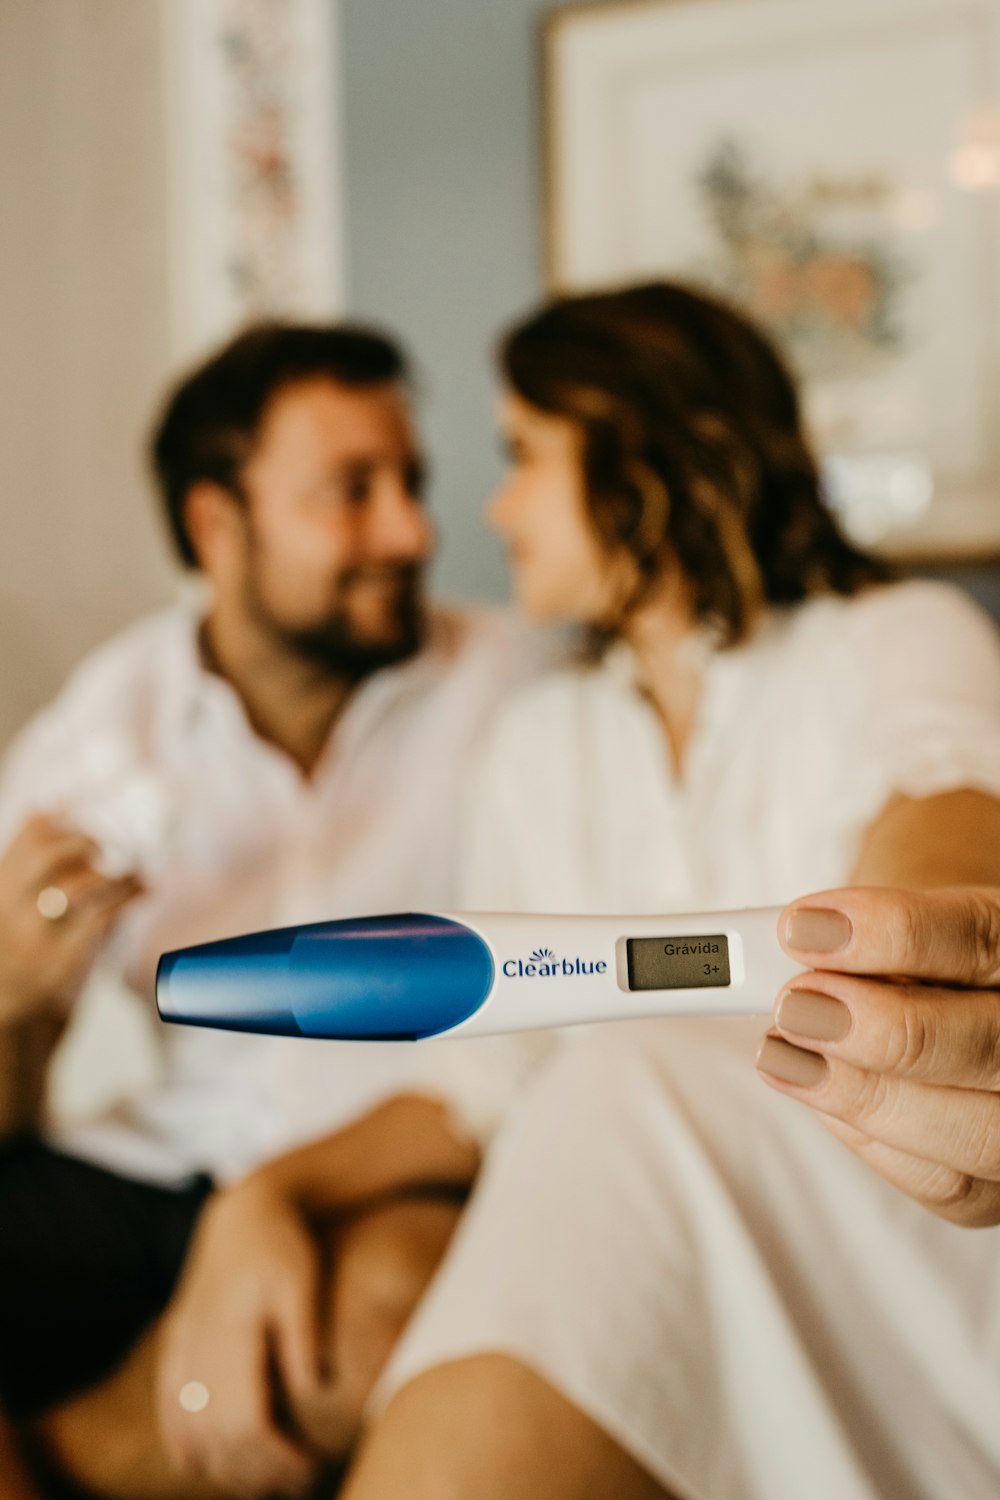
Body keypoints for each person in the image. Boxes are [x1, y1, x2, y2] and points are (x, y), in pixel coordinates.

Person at [328, 283, 1000, 1499]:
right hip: (647, 1240)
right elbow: (486, 1075)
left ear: (644, 452)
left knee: (627, 1071)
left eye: (522, 454)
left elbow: (946, 823)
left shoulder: (893, 636)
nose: (493, 507)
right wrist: (264, 1203)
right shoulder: (539, 742)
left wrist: (916, 940)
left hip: (906, 1232)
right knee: (593, 1098)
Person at [0, 321, 548, 1498]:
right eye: (351, 492)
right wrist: (8, 997)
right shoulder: (94, 743)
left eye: (411, 482)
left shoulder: (519, 691)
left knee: (377, 1312)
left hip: (393, 1162)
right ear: (216, 523)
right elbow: (12, 1109)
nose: (409, 532)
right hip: (159, 1164)